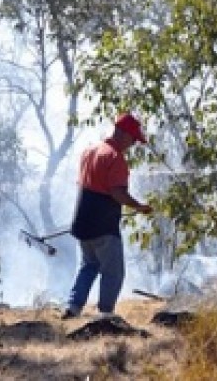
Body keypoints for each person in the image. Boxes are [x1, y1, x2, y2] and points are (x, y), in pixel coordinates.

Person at [63, 113, 152, 319]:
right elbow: (117, 193)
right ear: (123, 134)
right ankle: (105, 315)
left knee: (88, 266)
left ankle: (73, 307)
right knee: (113, 272)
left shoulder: (89, 151)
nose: (132, 145)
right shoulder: (115, 157)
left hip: (82, 222)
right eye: (133, 140)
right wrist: (139, 206)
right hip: (103, 226)